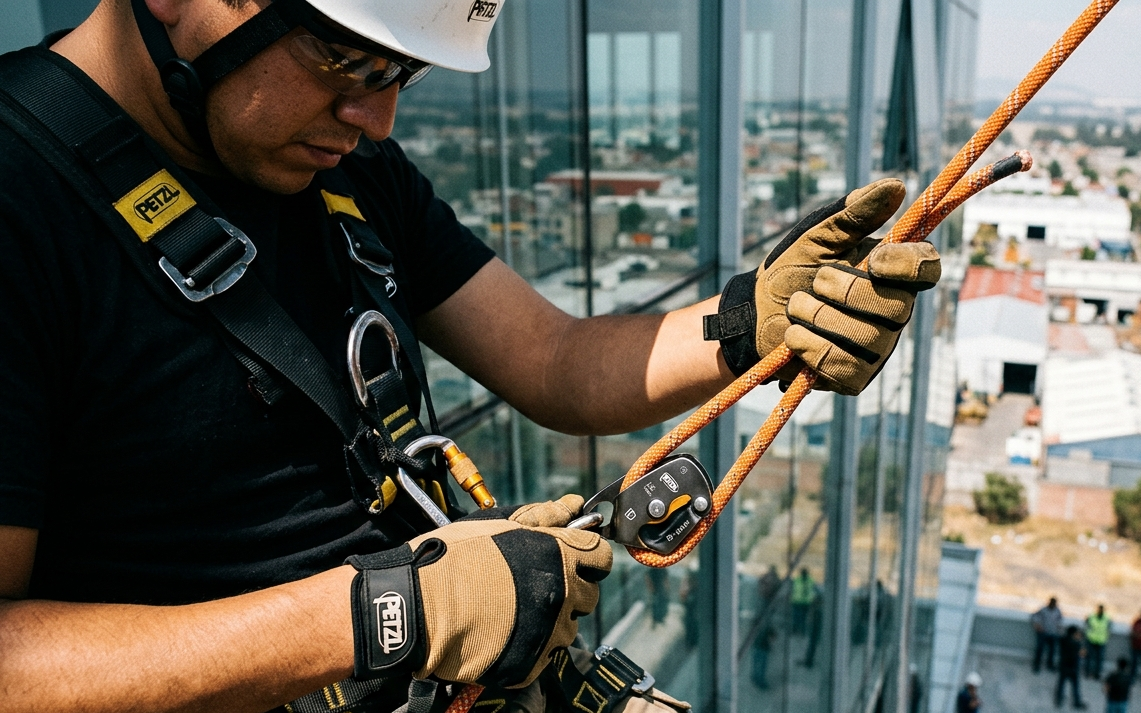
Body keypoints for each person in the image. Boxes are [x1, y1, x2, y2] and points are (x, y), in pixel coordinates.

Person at [0, 0, 942, 709]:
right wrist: (392, 609)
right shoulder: (19, 200)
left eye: (402, 74)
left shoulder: (345, 172)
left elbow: (556, 359)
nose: (377, 120)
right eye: (349, 61)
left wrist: (749, 326)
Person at [1055, 625, 1088, 709]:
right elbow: (1083, 654)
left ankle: (1059, 700)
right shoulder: (1076, 644)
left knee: (1061, 684)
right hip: (1073, 668)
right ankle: (1077, 702)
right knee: (1075, 686)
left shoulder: (1063, 640)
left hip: (1064, 666)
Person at [1032, 597, 1065, 673]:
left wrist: (1059, 631)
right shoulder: (1043, 610)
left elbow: (1060, 621)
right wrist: (1038, 625)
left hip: (1053, 634)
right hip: (1043, 633)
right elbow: (1034, 616)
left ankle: (1050, 665)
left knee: (1052, 651)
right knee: (1040, 649)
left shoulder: (1057, 611)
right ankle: (1037, 665)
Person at [1085, 604, 1112, 680]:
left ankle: (1097, 674)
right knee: (1089, 658)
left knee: (1099, 659)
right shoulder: (1092, 616)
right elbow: (1087, 624)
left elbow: (1109, 627)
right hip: (1091, 639)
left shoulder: (1107, 618)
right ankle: (1088, 672)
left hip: (1101, 641)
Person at [791, 567, 819, 635]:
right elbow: (815, 590)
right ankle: (799, 630)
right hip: (802, 602)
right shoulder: (809, 580)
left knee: (799, 617)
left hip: (800, 601)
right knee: (800, 617)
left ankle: (799, 630)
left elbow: (792, 589)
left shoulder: (798, 580)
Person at [750, 621, 777, 690]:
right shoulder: (768, 628)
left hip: (756, 646)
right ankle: (761, 683)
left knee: (756, 664)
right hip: (763, 648)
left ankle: (754, 677)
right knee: (762, 666)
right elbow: (772, 637)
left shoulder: (760, 626)